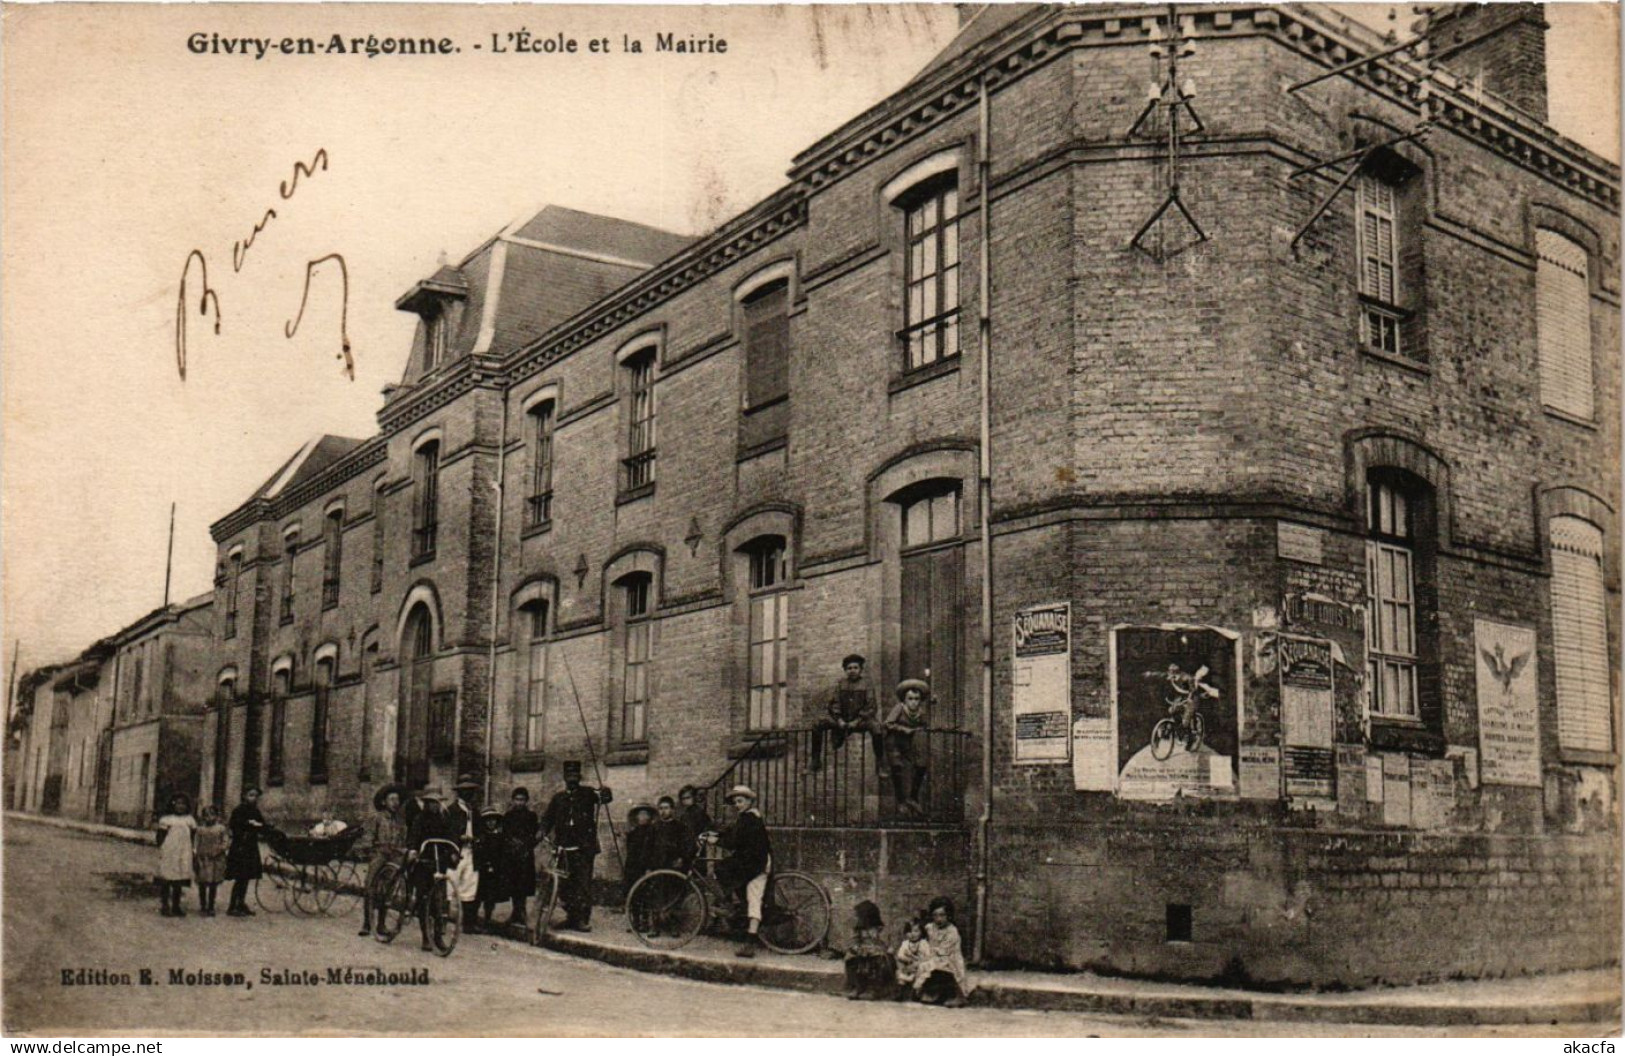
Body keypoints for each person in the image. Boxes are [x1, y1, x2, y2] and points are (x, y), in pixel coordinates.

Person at [540, 760, 610, 932]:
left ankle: (582, 920)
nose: (572, 779)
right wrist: (541, 833)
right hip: (564, 849)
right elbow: (547, 820)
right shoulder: (558, 798)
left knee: (583, 885)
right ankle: (570, 918)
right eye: (569, 776)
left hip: (583, 848)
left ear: (579, 777)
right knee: (565, 886)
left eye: (575, 776)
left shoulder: (587, 793)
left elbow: (606, 798)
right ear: (565, 778)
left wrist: (605, 789)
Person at [711, 784, 772, 959]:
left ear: (750, 801)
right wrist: (716, 835)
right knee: (722, 868)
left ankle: (750, 943)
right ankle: (735, 906)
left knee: (754, 897)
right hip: (748, 861)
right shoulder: (744, 818)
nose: (737, 804)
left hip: (757, 863)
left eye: (741, 801)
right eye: (736, 802)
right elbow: (731, 833)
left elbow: (734, 841)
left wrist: (716, 841)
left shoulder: (750, 818)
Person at [810, 654, 886, 774]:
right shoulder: (840, 684)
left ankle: (880, 764)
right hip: (841, 720)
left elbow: (871, 706)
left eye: (855, 667)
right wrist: (839, 719)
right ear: (845, 670)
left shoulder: (867, 685)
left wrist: (857, 721)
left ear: (860, 669)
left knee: (877, 727)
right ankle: (815, 761)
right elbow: (834, 703)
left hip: (860, 721)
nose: (852, 671)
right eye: (849, 668)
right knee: (817, 723)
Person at [405, 788, 457, 952]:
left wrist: (454, 852)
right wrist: (413, 850)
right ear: (426, 804)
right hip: (423, 863)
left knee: (439, 901)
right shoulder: (419, 819)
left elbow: (451, 836)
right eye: (431, 803)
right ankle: (426, 937)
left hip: (438, 864)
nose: (434, 806)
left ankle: (438, 937)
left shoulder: (444, 819)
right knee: (423, 899)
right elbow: (413, 837)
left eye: (436, 803)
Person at [359, 785, 408, 937]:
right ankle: (367, 923)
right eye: (392, 799)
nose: (395, 802)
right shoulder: (377, 818)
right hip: (380, 854)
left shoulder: (400, 821)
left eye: (397, 799)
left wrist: (403, 850)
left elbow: (403, 839)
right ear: (384, 802)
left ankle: (381, 924)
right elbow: (368, 836)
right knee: (370, 885)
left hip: (394, 856)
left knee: (388, 890)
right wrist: (368, 849)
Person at [885, 680, 934, 817]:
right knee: (897, 768)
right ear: (905, 700)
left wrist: (923, 729)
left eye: (917, 699)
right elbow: (888, 724)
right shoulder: (899, 708)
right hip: (894, 741)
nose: (913, 702)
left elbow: (924, 725)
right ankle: (901, 801)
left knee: (921, 765)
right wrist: (903, 729)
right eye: (910, 699)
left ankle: (913, 797)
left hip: (908, 744)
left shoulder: (920, 712)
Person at [914, 896, 971, 1007]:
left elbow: (943, 951)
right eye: (935, 915)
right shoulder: (929, 928)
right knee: (923, 967)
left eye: (942, 915)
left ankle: (957, 996)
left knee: (938, 969)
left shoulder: (952, 932)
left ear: (948, 915)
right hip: (933, 958)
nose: (938, 919)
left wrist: (929, 958)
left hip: (949, 960)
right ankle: (932, 994)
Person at [224, 787, 268, 916]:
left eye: (255, 796)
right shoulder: (239, 810)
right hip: (240, 847)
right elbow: (234, 825)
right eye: (250, 795)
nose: (253, 798)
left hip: (250, 847)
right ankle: (232, 906)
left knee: (247, 877)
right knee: (240, 877)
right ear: (244, 796)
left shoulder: (255, 811)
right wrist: (248, 825)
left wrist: (262, 827)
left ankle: (241, 903)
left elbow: (261, 824)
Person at [502, 787, 540, 928]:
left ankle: (522, 911)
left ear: (526, 801)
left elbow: (535, 834)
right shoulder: (508, 816)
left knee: (523, 884)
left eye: (522, 800)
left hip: (525, 854)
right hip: (511, 855)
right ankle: (515, 912)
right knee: (513, 883)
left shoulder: (531, 816)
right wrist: (512, 844)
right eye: (517, 800)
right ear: (512, 800)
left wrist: (527, 846)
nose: (519, 803)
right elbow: (505, 835)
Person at [154, 793, 196, 918]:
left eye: (183, 804)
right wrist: (163, 849)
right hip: (170, 851)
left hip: (184, 852)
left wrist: (193, 850)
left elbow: (193, 837)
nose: (180, 806)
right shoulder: (167, 819)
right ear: (173, 804)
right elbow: (160, 837)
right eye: (178, 803)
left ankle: (176, 906)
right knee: (167, 878)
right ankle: (165, 905)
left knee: (179, 879)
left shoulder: (189, 820)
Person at [843, 900, 894, 1000]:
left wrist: (872, 950)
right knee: (851, 958)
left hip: (876, 952)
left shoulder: (878, 929)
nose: (856, 918)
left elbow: (882, 944)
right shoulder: (858, 930)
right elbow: (854, 941)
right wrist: (856, 948)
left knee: (876, 960)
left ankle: (873, 988)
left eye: (858, 916)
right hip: (862, 950)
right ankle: (857, 986)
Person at [472, 806, 510, 933]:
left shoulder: (500, 836)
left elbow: (503, 853)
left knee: (490, 897)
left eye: (493, 820)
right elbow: (478, 853)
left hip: (495, 870)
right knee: (477, 895)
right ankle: (473, 919)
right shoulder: (480, 837)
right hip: (482, 870)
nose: (491, 823)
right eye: (488, 820)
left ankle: (487, 920)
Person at [193, 805, 228, 917]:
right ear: (203, 817)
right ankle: (203, 905)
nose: (209, 818)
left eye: (212, 815)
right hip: (204, 859)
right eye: (206, 815)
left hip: (216, 859)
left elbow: (225, 842)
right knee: (202, 882)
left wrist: (220, 850)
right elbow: (196, 842)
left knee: (213, 883)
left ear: (217, 816)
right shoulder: (200, 829)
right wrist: (195, 853)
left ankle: (211, 906)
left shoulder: (221, 828)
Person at [621, 804, 657, 901]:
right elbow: (630, 852)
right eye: (641, 814)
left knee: (646, 894)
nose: (643, 817)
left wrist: (649, 867)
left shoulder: (653, 832)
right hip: (633, 867)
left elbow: (653, 851)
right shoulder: (632, 834)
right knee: (632, 893)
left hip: (646, 867)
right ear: (637, 817)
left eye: (646, 814)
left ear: (650, 817)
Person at [676, 785, 712, 869]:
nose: (685, 801)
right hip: (687, 846)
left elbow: (707, 827)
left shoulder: (699, 813)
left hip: (695, 847)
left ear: (694, 797)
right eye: (683, 799)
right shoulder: (684, 815)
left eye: (688, 798)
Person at [651, 795, 688, 871]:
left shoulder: (680, 827)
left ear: (672, 810)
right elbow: (648, 848)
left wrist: (682, 858)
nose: (663, 811)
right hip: (657, 867)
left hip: (675, 866)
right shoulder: (654, 828)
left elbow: (687, 846)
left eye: (666, 808)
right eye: (661, 808)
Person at [894, 915, 928, 999]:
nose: (913, 934)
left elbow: (927, 956)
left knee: (921, 975)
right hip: (907, 966)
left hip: (919, 966)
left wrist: (916, 961)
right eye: (910, 931)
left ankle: (916, 992)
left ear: (921, 932)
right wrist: (908, 960)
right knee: (900, 972)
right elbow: (900, 955)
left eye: (916, 931)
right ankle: (900, 992)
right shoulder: (905, 943)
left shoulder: (923, 943)